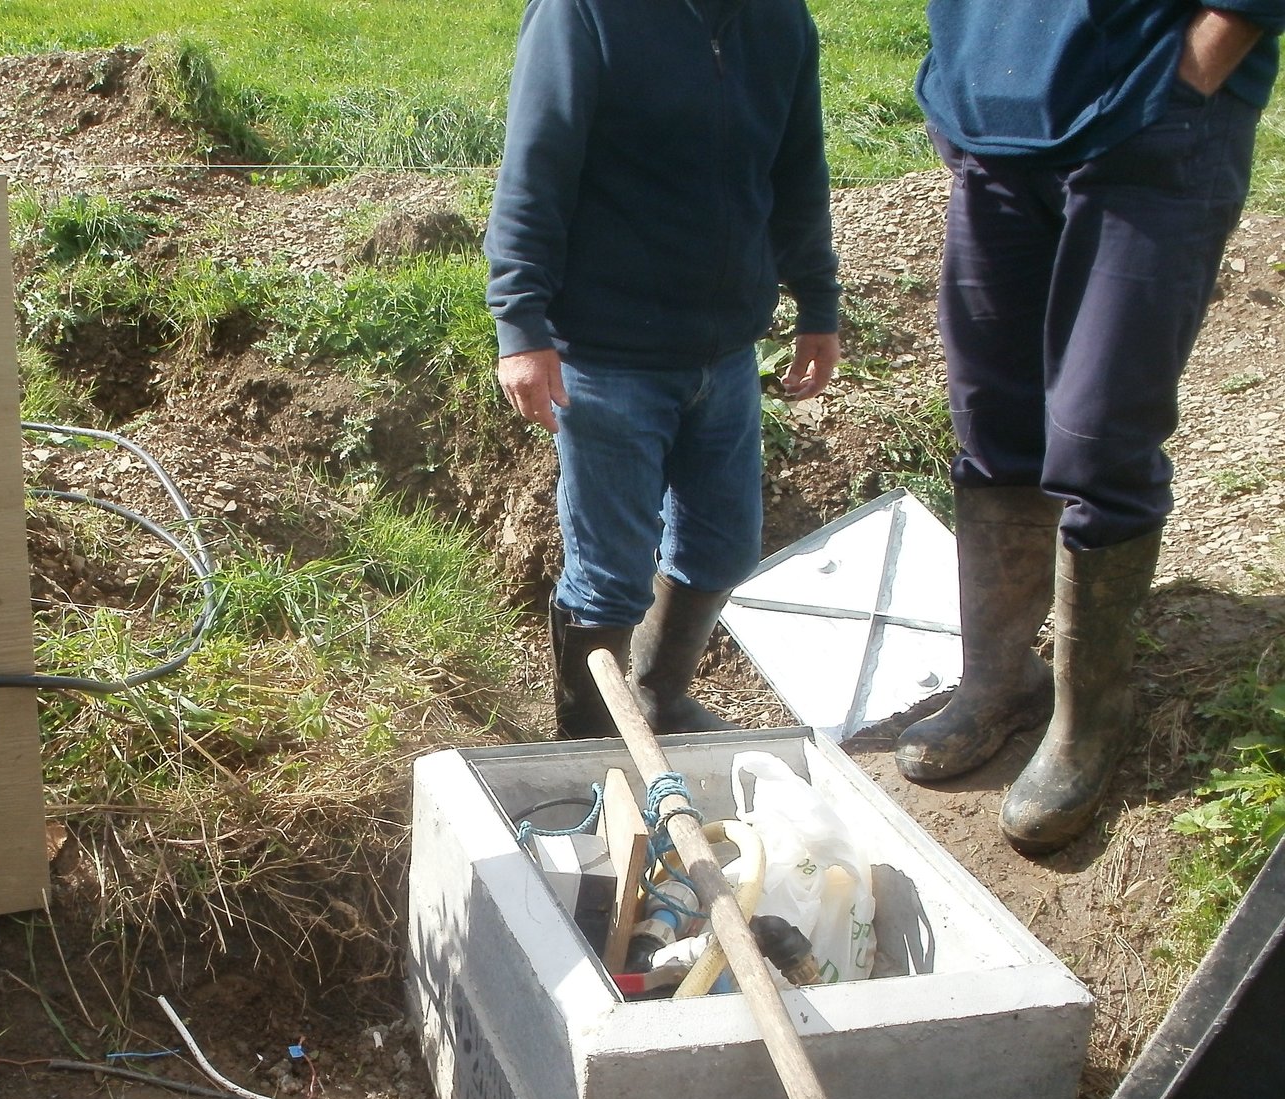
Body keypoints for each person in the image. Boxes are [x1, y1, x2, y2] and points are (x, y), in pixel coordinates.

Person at [905, 2, 1283, 853]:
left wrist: (1195, 71)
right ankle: (999, 679)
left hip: (1150, 114)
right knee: (992, 420)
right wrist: (960, 75)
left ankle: (1090, 716)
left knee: (1100, 432)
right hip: (994, 123)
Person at [486, 0, 840, 741]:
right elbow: (535, 166)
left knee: (723, 550)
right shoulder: (586, 14)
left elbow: (798, 166)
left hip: (727, 353)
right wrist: (521, 324)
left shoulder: (778, 20)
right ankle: (586, 750)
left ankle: (659, 697)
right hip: (606, 352)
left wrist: (817, 301)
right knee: (609, 580)